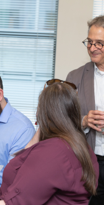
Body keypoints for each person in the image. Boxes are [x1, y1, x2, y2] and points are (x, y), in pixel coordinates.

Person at [0, 81, 99, 205]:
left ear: (42, 113)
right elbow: (26, 159)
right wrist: (42, 126)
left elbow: (15, 202)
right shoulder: (81, 146)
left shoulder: (53, 152)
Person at [66, 15, 104, 204]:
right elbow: (62, 119)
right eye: (89, 42)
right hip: (88, 162)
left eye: (99, 43)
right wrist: (83, 121)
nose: (92, 48)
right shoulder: (74, 77)